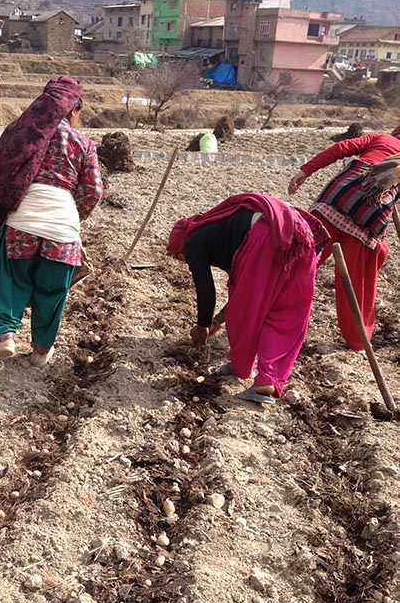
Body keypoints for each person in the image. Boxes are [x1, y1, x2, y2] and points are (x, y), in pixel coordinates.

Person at [0, 76, 103, 366]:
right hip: (63, 231)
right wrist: (75, 217)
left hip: (22, 224)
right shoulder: (84, 143)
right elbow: (94, 190)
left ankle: (4, 336)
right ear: (73, 110)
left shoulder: (22, 132)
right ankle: (41, 352)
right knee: (52, 290)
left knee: (7, 276)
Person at [167, 194, 330, 404]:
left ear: (179, 244)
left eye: (178, 256)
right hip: (300, 234)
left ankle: (241, 365)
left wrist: (202, 325)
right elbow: (250, 286)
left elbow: (207, 290)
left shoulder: (192, 242)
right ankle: (267, 380)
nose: (182, 261)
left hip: (266, 236)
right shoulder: (220, 230)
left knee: (246, 311)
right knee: (285, 310)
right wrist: (217, 320)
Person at [288, 125, 400, 350]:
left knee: (301, 257)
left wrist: (305, 171)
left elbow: (342, 147)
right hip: (370, 212)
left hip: (340, 193)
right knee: (356, 277)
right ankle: (358, 339)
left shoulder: (382, 137)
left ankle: (267, 306)